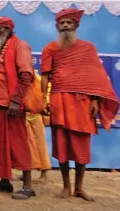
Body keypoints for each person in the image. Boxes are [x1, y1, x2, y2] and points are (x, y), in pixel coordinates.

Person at [41, 8, 119, 201]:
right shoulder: (50, 48)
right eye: (62, 23)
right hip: (59, 100)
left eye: (69, 22)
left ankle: (79, 188)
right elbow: (45, 76)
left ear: (76, 25)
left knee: (81, 145)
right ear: (57, 26)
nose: (65, 25)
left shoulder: (88, 48)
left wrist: (95, 100)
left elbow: (96, 77)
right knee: (61, 145)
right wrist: (44, 99)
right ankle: (66, 186)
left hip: (82, 102)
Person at [0, 16, 36, 200]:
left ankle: (28, 186)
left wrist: (16, 100)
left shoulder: (20, 45)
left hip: (11, 105)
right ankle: (4, 182)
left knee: (18, 144)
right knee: (0, 145)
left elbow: (26, 75)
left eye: (1, 29)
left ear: (10, 29)